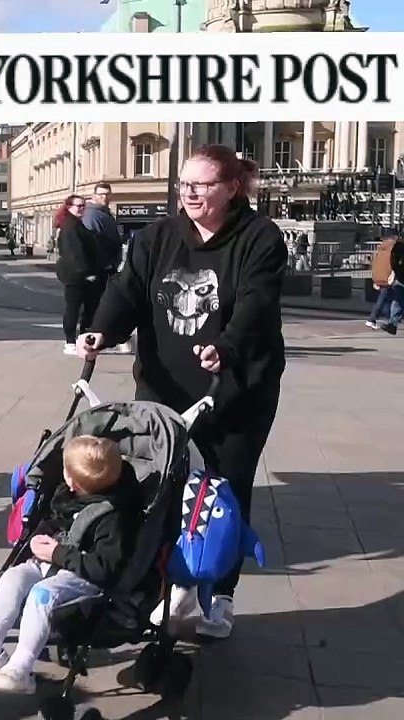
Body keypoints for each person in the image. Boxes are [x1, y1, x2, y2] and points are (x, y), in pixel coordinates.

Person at [77, 144, 287, 639]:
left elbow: (257, 304)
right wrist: (101, 330)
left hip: (236, 390)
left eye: (202, 184)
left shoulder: (260, 238)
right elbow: (127, 290)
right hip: (163, 388)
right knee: (158, 489)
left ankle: (221, 596)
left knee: (222, 494)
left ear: (231, 188)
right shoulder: (157, 237)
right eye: (184, 184)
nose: (189, 193)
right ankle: (160, 585)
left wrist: (227, 347)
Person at [0, 436, 140, 693]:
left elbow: (104, 566)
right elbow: (55, 523)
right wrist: (39, 538)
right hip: (49, 562)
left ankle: (21, 668)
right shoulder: (68, 498)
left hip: (83, 576)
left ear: (75, 482)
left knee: (41, 595)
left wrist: (58, 553)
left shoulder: (113, 518)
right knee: (11, 578)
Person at [81, 182, 132, 354]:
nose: (104, 197)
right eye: (101, 194)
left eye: (107, 194)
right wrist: (97, 267)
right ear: (94, 196)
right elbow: (93, 244)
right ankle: (92, 338)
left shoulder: (105, 214)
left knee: (104, 303)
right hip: (100, 268)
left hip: (108, 266)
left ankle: (100, 337)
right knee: (100, 304)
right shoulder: (92, 216)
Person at [53, 195, 104, 356]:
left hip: (80, 275)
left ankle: (81, 340)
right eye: (78, 206)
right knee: (74, 309)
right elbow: (73, 253)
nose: (81, 208)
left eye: (83, 206)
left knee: (86, 309)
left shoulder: (75, 224)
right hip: (77, 277)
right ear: (69, 207)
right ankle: (70, 342)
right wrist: (86, 273)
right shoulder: (70, 226)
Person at [366, 235, 403, 335]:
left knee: (393, 300)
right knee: (393, 300)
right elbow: (393, 263)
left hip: (387, 277)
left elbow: (377, 264)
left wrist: (375, 278)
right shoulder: (394, 249)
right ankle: (387, 322)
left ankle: (391, 322)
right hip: (393, 277)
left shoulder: (381, 251)